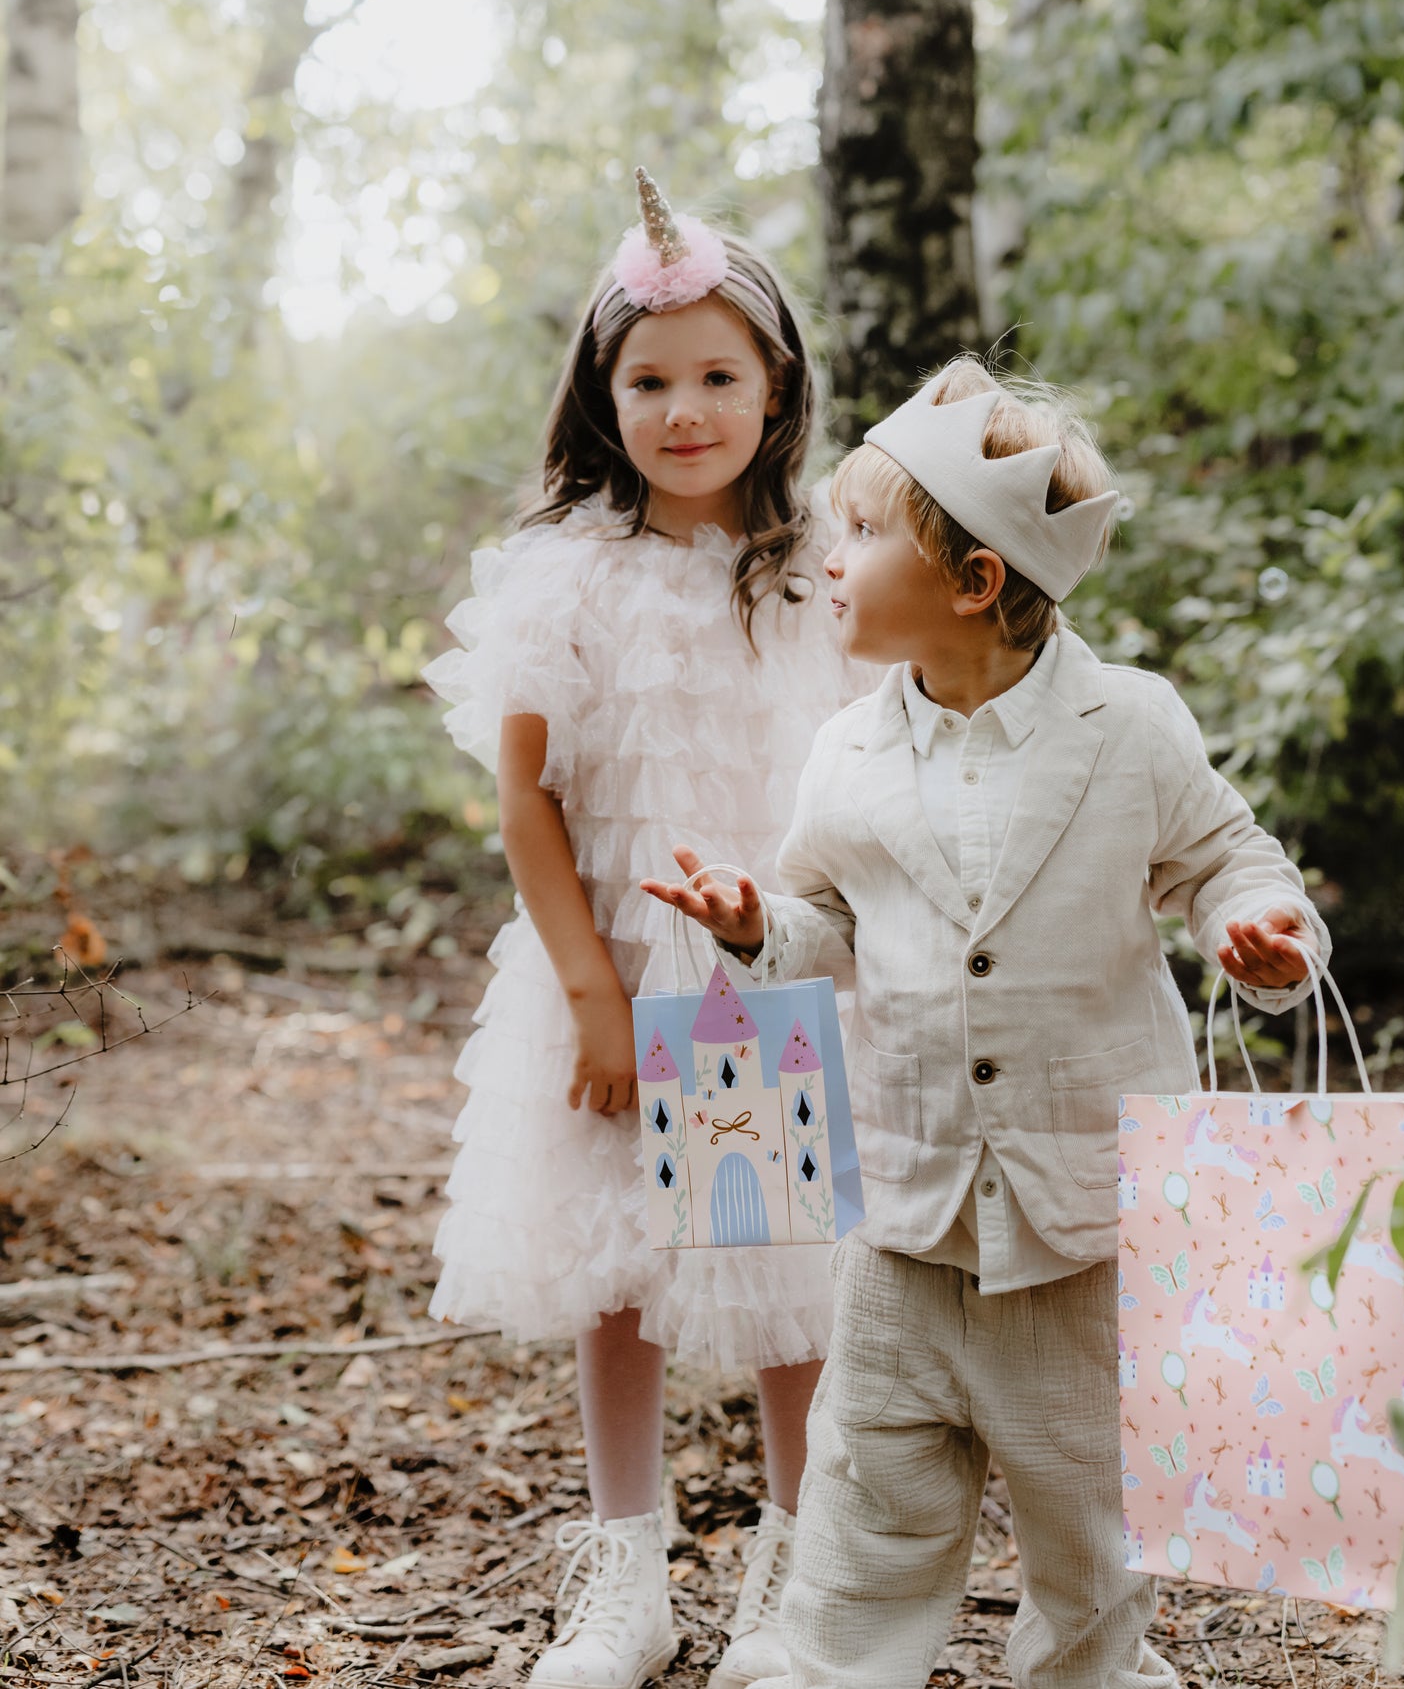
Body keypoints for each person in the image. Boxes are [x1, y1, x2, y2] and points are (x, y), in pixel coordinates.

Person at [644, 357, 1328, 1689]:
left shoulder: (1129, 728)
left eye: (859, 530)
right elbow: (818, 920)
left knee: (1087, 1497)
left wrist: (1263, 933)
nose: (828, 557)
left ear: (971, 583)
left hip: (1076, 1214)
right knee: (868, 1477)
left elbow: (1227, 862)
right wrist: (747, 927)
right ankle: (842, 1662)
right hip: (902, 1209)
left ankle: (1086, 1665)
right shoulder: (846, 749)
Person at [423, 170, 863, 1689]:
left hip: (766, 972)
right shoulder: (568, 571)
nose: (685, 409)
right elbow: (530, 802)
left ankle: (797, 1585)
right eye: (650, 379)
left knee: (783, 1279)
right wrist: (594, 995)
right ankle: (626, 1582)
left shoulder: (824, 569)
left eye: (718, 377)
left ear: (776, 387)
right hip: (610, 970)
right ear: (602, 396)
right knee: (621, 1276)